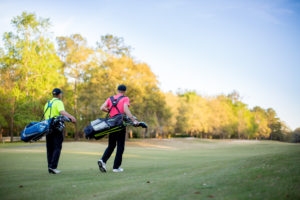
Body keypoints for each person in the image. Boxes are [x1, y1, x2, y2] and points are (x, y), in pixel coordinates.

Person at [98, 85, 138, 173]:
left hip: (112, 124)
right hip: (120, 124)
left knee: (111, 145)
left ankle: (103, 160)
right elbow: (125, 109)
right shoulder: (125, 98)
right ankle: (116, 167)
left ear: (117, 90)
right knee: (120, 146)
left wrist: (111, 111)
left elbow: (102, 108)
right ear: (124, 91)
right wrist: (133, 119)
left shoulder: (110, 98)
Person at [44, 88, 76, 174]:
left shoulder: (48, 103)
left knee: (49, 148)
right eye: (60, 94)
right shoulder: (58, 102)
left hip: (47, 127)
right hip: (56, 127)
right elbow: (62, 112)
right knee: (57, 147)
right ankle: (53, 167)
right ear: (59, 95)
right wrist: (72, 117)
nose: (61, 95)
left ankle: (50, 167)